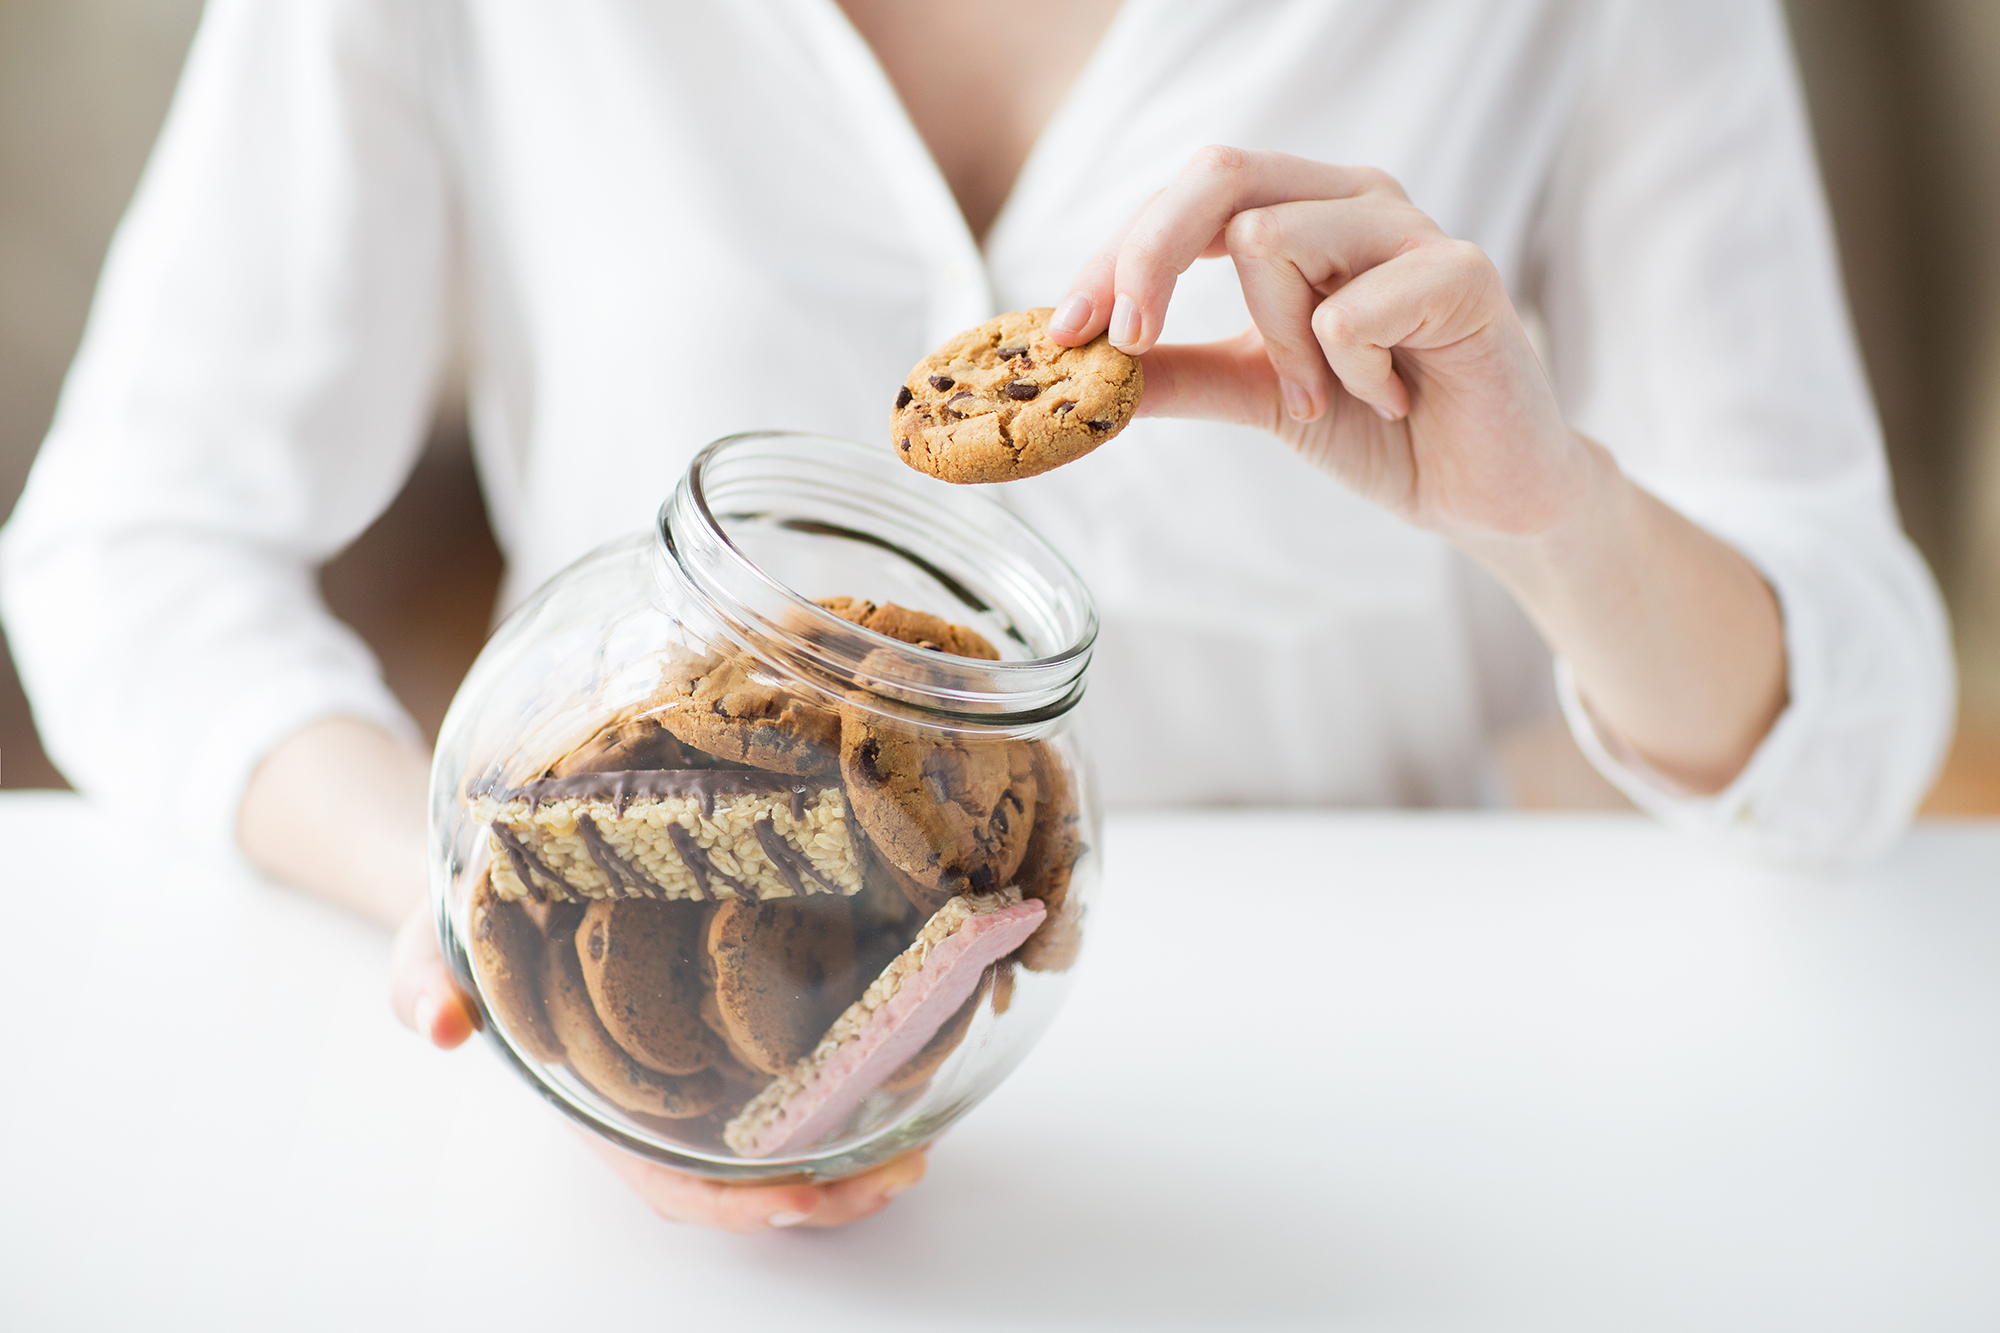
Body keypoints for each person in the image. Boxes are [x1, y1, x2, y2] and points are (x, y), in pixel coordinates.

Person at [0, 0, 1953, 1232]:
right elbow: (128, 545)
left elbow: (1859, 729)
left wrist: (1553, 509)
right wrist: (485, 908)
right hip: (627, 1175)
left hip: (1381, 1161)